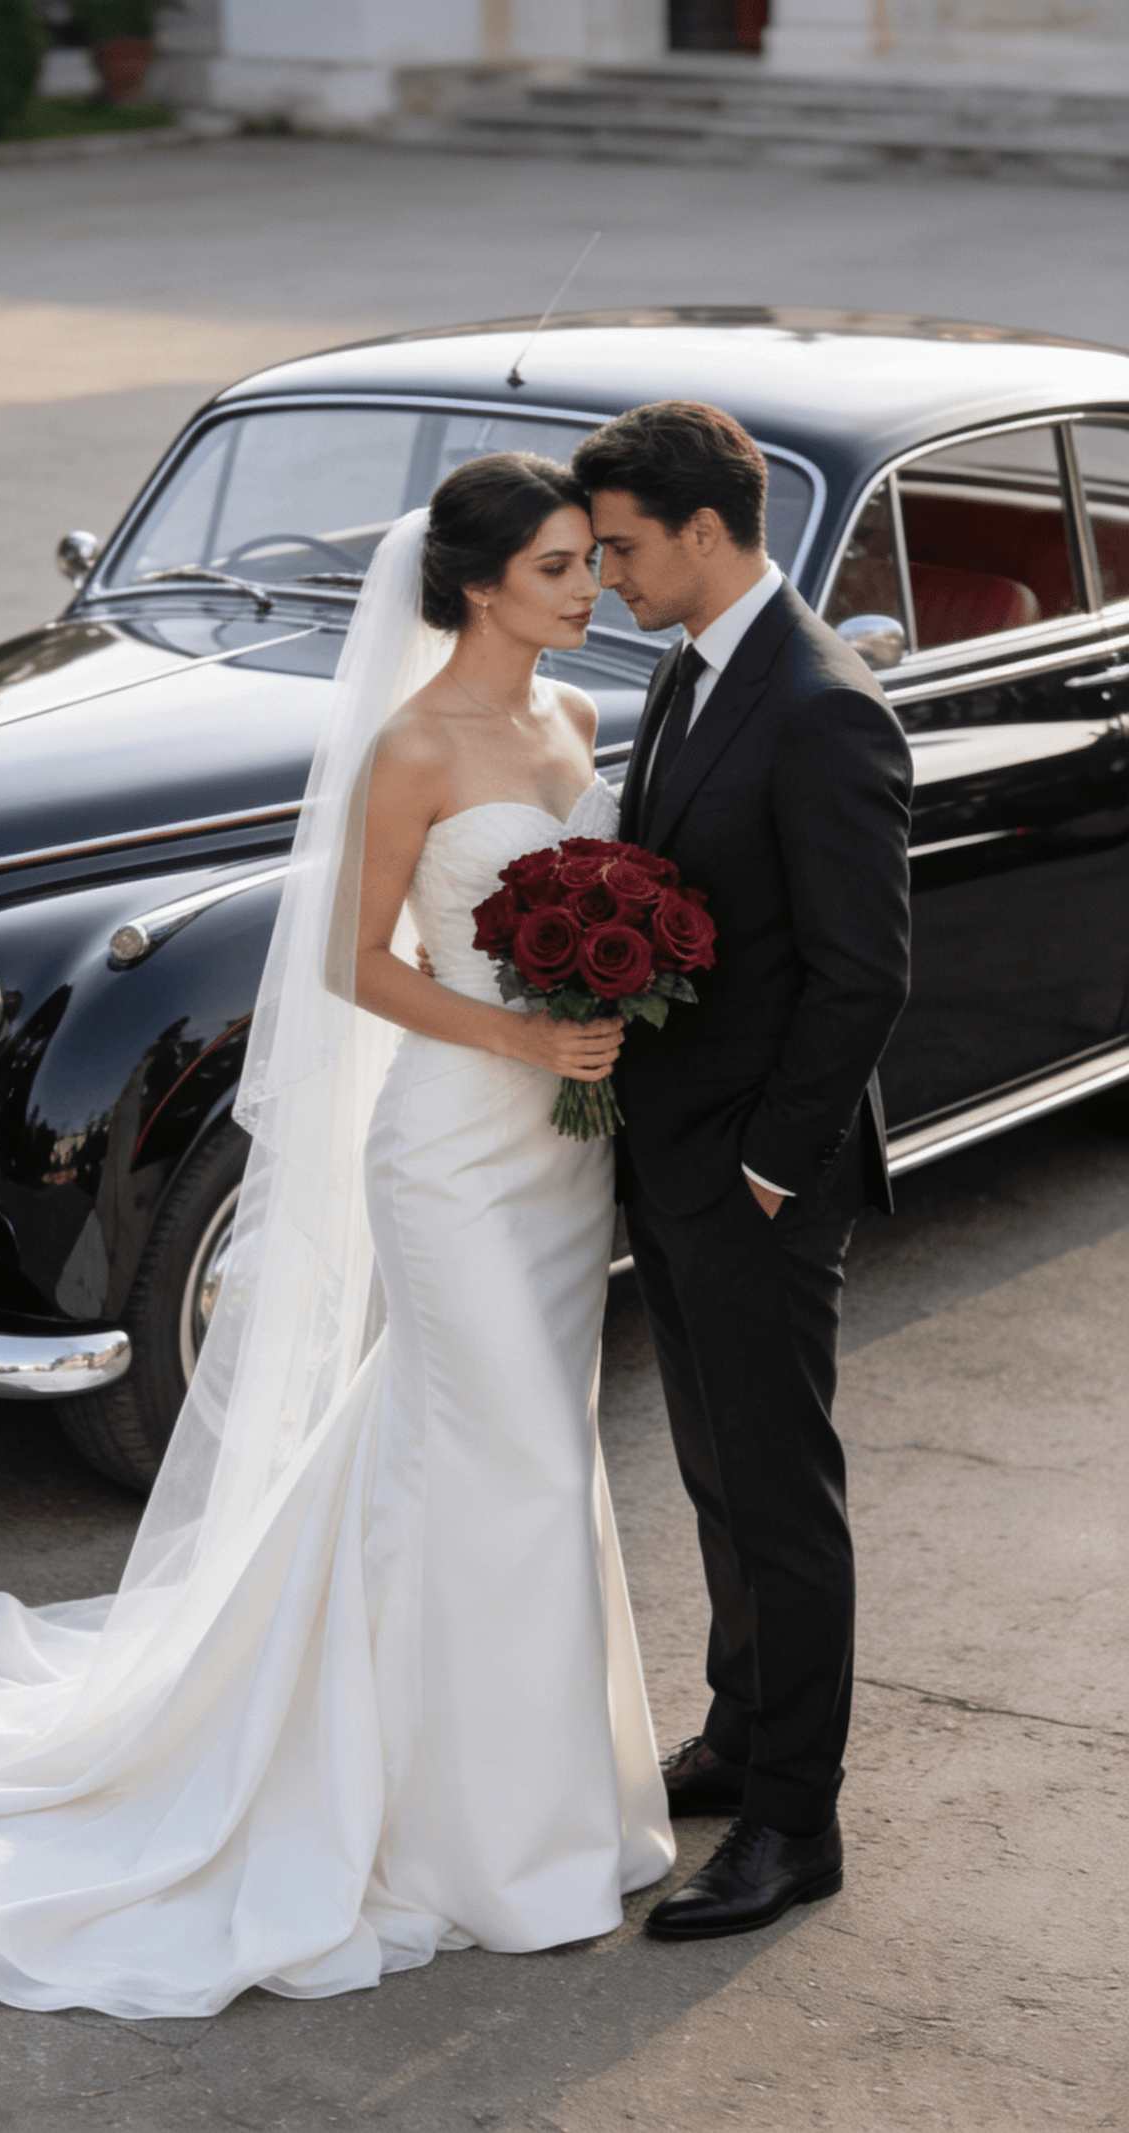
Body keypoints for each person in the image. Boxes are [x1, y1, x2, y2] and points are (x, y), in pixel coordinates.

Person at [0, 454, 674, 2019]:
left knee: (510, 1454)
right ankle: (471, 1838)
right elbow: (353, 967)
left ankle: (538, 1807)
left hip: (559, 1165)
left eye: (589, 566)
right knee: (515, 1457)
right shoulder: (410, 746)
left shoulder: (577, 720)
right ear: (479, 585)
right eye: (558, 568)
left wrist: (596, 1005)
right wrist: (530, 1039)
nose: (588, 589)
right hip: (456, 1148)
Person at [571, 403, 913, 1940]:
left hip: (757, 1183)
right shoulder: (687, 668)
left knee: (783, 1499)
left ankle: (797, 1826)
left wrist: (773, 1172)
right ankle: (738, 1731)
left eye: (627, 547)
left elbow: (863, 977)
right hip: (677, 1158)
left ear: (708, 535)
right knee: (715, 1475)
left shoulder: (823, 705)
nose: (609, 574)